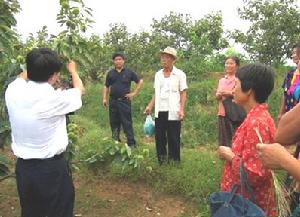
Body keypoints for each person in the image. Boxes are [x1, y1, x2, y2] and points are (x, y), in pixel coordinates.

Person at [5, 48, 84, 217]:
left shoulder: (13, 90)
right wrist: (73, 71)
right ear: (54, 75)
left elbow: (22, 77)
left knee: (31, 212)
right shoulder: (54, 99)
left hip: (24, 170)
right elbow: (80, 90)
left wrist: (37, 64)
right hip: (51, 170)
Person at [218, 63, 277, 216]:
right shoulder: (258, 117)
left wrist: (229, 156)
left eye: (236, 84)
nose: (233, 90)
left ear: (249, 90)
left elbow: (254, 175)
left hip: (247, 206)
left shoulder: (256, 123)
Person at [144, 47, 187, 164]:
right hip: (160, 110)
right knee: (160, 137)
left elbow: (183, 92)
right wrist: (150, 106)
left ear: (173, 59)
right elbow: (156, 93)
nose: (164, 59)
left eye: (167, 57)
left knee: (174, 137)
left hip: (174, 110)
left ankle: (174, 162)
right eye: (162, 57)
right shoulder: (158, 74)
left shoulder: (179, 74)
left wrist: (182, 110)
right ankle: (162, 161)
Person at [102, 53, 143, 147]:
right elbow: (106, 86)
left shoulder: (129, 72)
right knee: (114, 122)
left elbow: (139, 81)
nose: (118, 61)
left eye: (120, 59)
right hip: (113, 101)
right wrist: (104, 98)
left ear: (123, 61)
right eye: (116, 59)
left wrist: (134, 93)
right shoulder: (110, 73)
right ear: (113, 61)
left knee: (127, 122)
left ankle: (131, 143)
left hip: (124, 101)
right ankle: (116, 142)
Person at [216, 56, 245, 147]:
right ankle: (226, 158)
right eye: (227, 63)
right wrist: (218, 95)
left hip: (236, 112)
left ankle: (237, 158)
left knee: (236, 137)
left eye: (231, 63)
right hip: (223, 112)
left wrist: (227, 93)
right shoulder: (222, 80)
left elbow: (241, 93)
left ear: (237, 66)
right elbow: (217, 96)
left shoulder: (239, 79)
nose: (228, 65)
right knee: (225, 138)